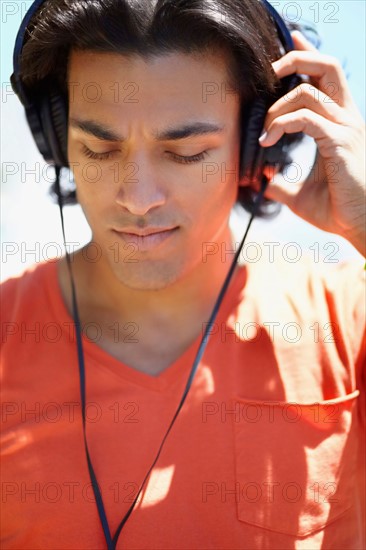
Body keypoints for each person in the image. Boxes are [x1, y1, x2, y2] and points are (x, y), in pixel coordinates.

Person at [1, 0, 365, 548]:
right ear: (56, 141)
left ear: (256, 143)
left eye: (189, 153)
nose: (138, 198)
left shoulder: (346, 320)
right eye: (99, 149)